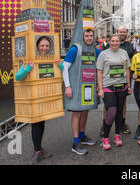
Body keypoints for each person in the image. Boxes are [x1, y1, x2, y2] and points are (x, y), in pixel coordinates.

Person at [15, 36, 53, 164]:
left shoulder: (50, 59)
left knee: (41, 123)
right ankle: (37, 151)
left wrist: (60, 66)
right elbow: (18, 77)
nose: (44, 48)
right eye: (42, 46)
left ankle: (39, 148)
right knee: (35, 124)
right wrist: (27, 69)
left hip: (44, 96)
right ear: (37, 46)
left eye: (47, 46)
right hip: (33, 97)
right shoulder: (29, 60)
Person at [62, 29, 100, 155]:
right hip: (76, 86)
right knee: (77, 113)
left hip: (88, 86)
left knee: (85, 111)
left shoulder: (95, 50)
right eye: (87, 36)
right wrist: (67, 86)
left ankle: (82, 136)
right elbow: (65, 68)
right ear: (82, 36)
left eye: (91, 36)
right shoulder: (75, 49)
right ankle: (75, 142)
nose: (89, 38)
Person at [96, 34, 131, 150]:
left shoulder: (124, 53)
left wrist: (129, 85)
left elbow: (127, 69)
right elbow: (99, 72)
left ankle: (117, 135)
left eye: (117, 41)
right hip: (108, 86)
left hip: (122, 86)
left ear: (120, 42)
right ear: (109, 41)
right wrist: (100, 88)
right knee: (111, 111)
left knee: (120, 112)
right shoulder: (103, 54)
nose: (115, 43)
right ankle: (105, 138)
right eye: (113, 41)